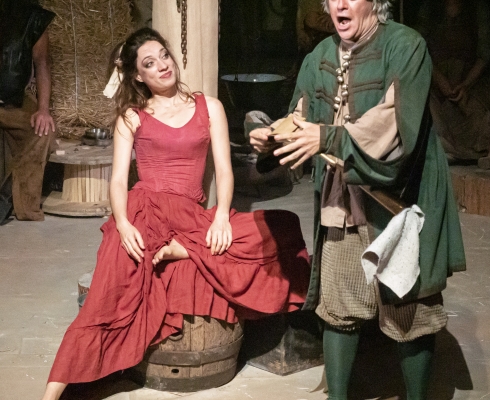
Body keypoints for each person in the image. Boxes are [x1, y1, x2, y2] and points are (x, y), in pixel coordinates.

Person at [41, 27, 310, 400]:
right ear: (139, 76)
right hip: (144, 209)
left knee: (281, 225)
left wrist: (221, 216)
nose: (162, 66)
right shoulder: (132, 116)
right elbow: (117, 181)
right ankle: (52, 394)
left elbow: (225, 170)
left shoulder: (209, 106)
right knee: (109, 294)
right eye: (150, 63)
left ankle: (181, 248)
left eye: (164, 56)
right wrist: (123, 224)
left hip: (190, 214)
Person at [249, 0, 466, 399]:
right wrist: (271, 137)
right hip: (342, 200)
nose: (341, 4)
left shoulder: (405, 46)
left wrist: (329, 138)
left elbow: (393, 126)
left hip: (400, 199)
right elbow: (300, 118)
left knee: (408, 308)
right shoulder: (319, 56)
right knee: (339, 303)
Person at [415, 0, 490, 165]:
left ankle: (483, 150)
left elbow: (485, 54)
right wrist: (440, 80)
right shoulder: (430, 9)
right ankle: (444, 149)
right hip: (436, 80)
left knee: (478, 110)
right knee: (425, 105)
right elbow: (419, 48)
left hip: (469, 81)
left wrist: (465, 84)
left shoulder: (477, 9)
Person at [0, 0, 57, 222]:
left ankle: (16, 202)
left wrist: (43, 109)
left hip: (13, 100)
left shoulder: (32, 16)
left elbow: (42, 63)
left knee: (43, 131)